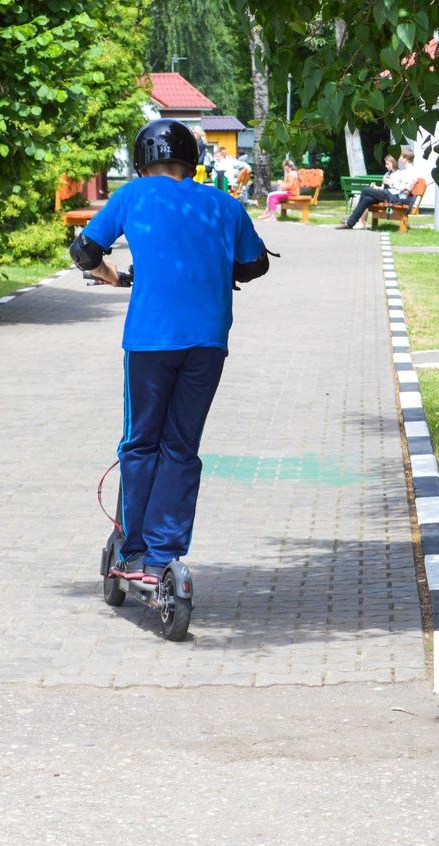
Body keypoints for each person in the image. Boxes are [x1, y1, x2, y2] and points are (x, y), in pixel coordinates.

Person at [70, 119, 272, 585]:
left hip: (150, 340)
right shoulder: (224, 203)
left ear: (143, 161)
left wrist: (114, 276)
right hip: (207, 342)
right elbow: (256, 264)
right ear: (192, 160)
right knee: (181, 447)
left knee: (141, 442)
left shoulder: (131, 196)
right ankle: (164, 556)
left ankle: (131, 548)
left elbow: (85, 250)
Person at [338, 148, 419, 229]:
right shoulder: (407, 171)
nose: (399, 158)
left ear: (405, 158)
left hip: (395, 198)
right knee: (367, 199)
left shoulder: (410, 172)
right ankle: (350, 223)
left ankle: (351, 221)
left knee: (366, 190)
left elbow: (404, 189)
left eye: (400, 156)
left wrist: (390, 183)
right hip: (391, 194)